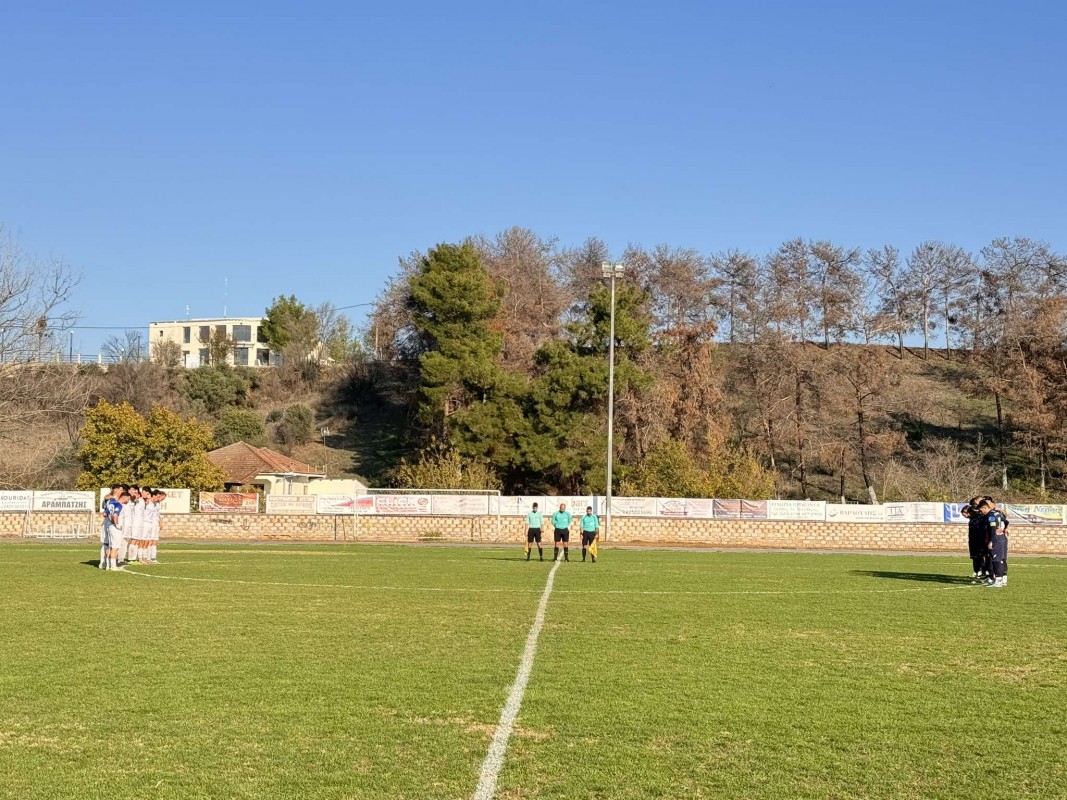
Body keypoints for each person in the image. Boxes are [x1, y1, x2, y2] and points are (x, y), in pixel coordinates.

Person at [960, 496, 990, 583]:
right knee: (975, 556)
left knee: (983, 556)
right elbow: (966, 511)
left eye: (975, 504)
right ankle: (977, 571)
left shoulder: (983, 515)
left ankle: (986, 572)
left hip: (982, 539)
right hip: (973, 539)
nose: (974, 506)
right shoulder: (973, 517)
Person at [981, 497, 1009, 588]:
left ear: (985, 507)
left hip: (996, 539)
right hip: (1000, 539)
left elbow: (993, 529)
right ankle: (999, 580)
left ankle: (998, 581)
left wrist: (991, 542)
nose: (981, 511)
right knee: (998, 560)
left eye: (981, 509)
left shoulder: (991, 516)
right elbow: (1006, 521)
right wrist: (1004, 528)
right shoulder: (997, 513)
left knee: (996, 560)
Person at [100, 485, 122, 570]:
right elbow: (106, 497)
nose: (121, 491)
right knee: (106, 543)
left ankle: (108, 563)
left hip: (111, 521)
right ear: (115, 490)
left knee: (111, 544)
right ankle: (103, 563)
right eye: (120, 489)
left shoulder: (117, 499)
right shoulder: (110, 497)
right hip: (108, 522)